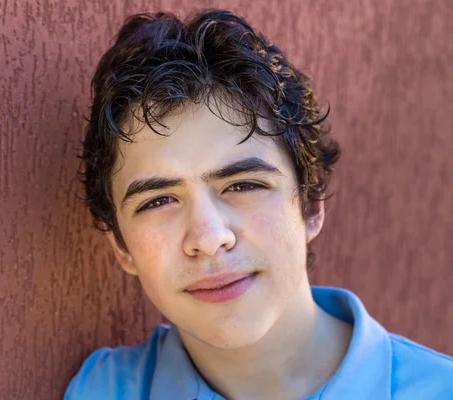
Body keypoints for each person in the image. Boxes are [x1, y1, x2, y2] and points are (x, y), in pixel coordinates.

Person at [65, 9, 453, 400]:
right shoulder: (102, 390)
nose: (209, 237)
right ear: (120, 245)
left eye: (242, 184)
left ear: (311, 202)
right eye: (159, 200)